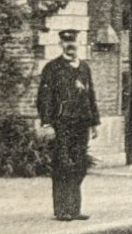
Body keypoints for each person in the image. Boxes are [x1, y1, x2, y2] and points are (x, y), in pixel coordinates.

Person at [36, 29, 99, 221]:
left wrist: (94, 122)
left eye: (73, 42)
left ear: (78, 43)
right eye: (66, 42)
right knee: (63, 164)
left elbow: (90, 95)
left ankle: (75, 208)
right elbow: (44, 98)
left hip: (82, 123)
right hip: (62, 124)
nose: (70, 45)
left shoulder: (84, 68)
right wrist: (47, 123)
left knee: (80, 165)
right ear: (61, 44)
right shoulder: (52, 68)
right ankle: (62, 209)